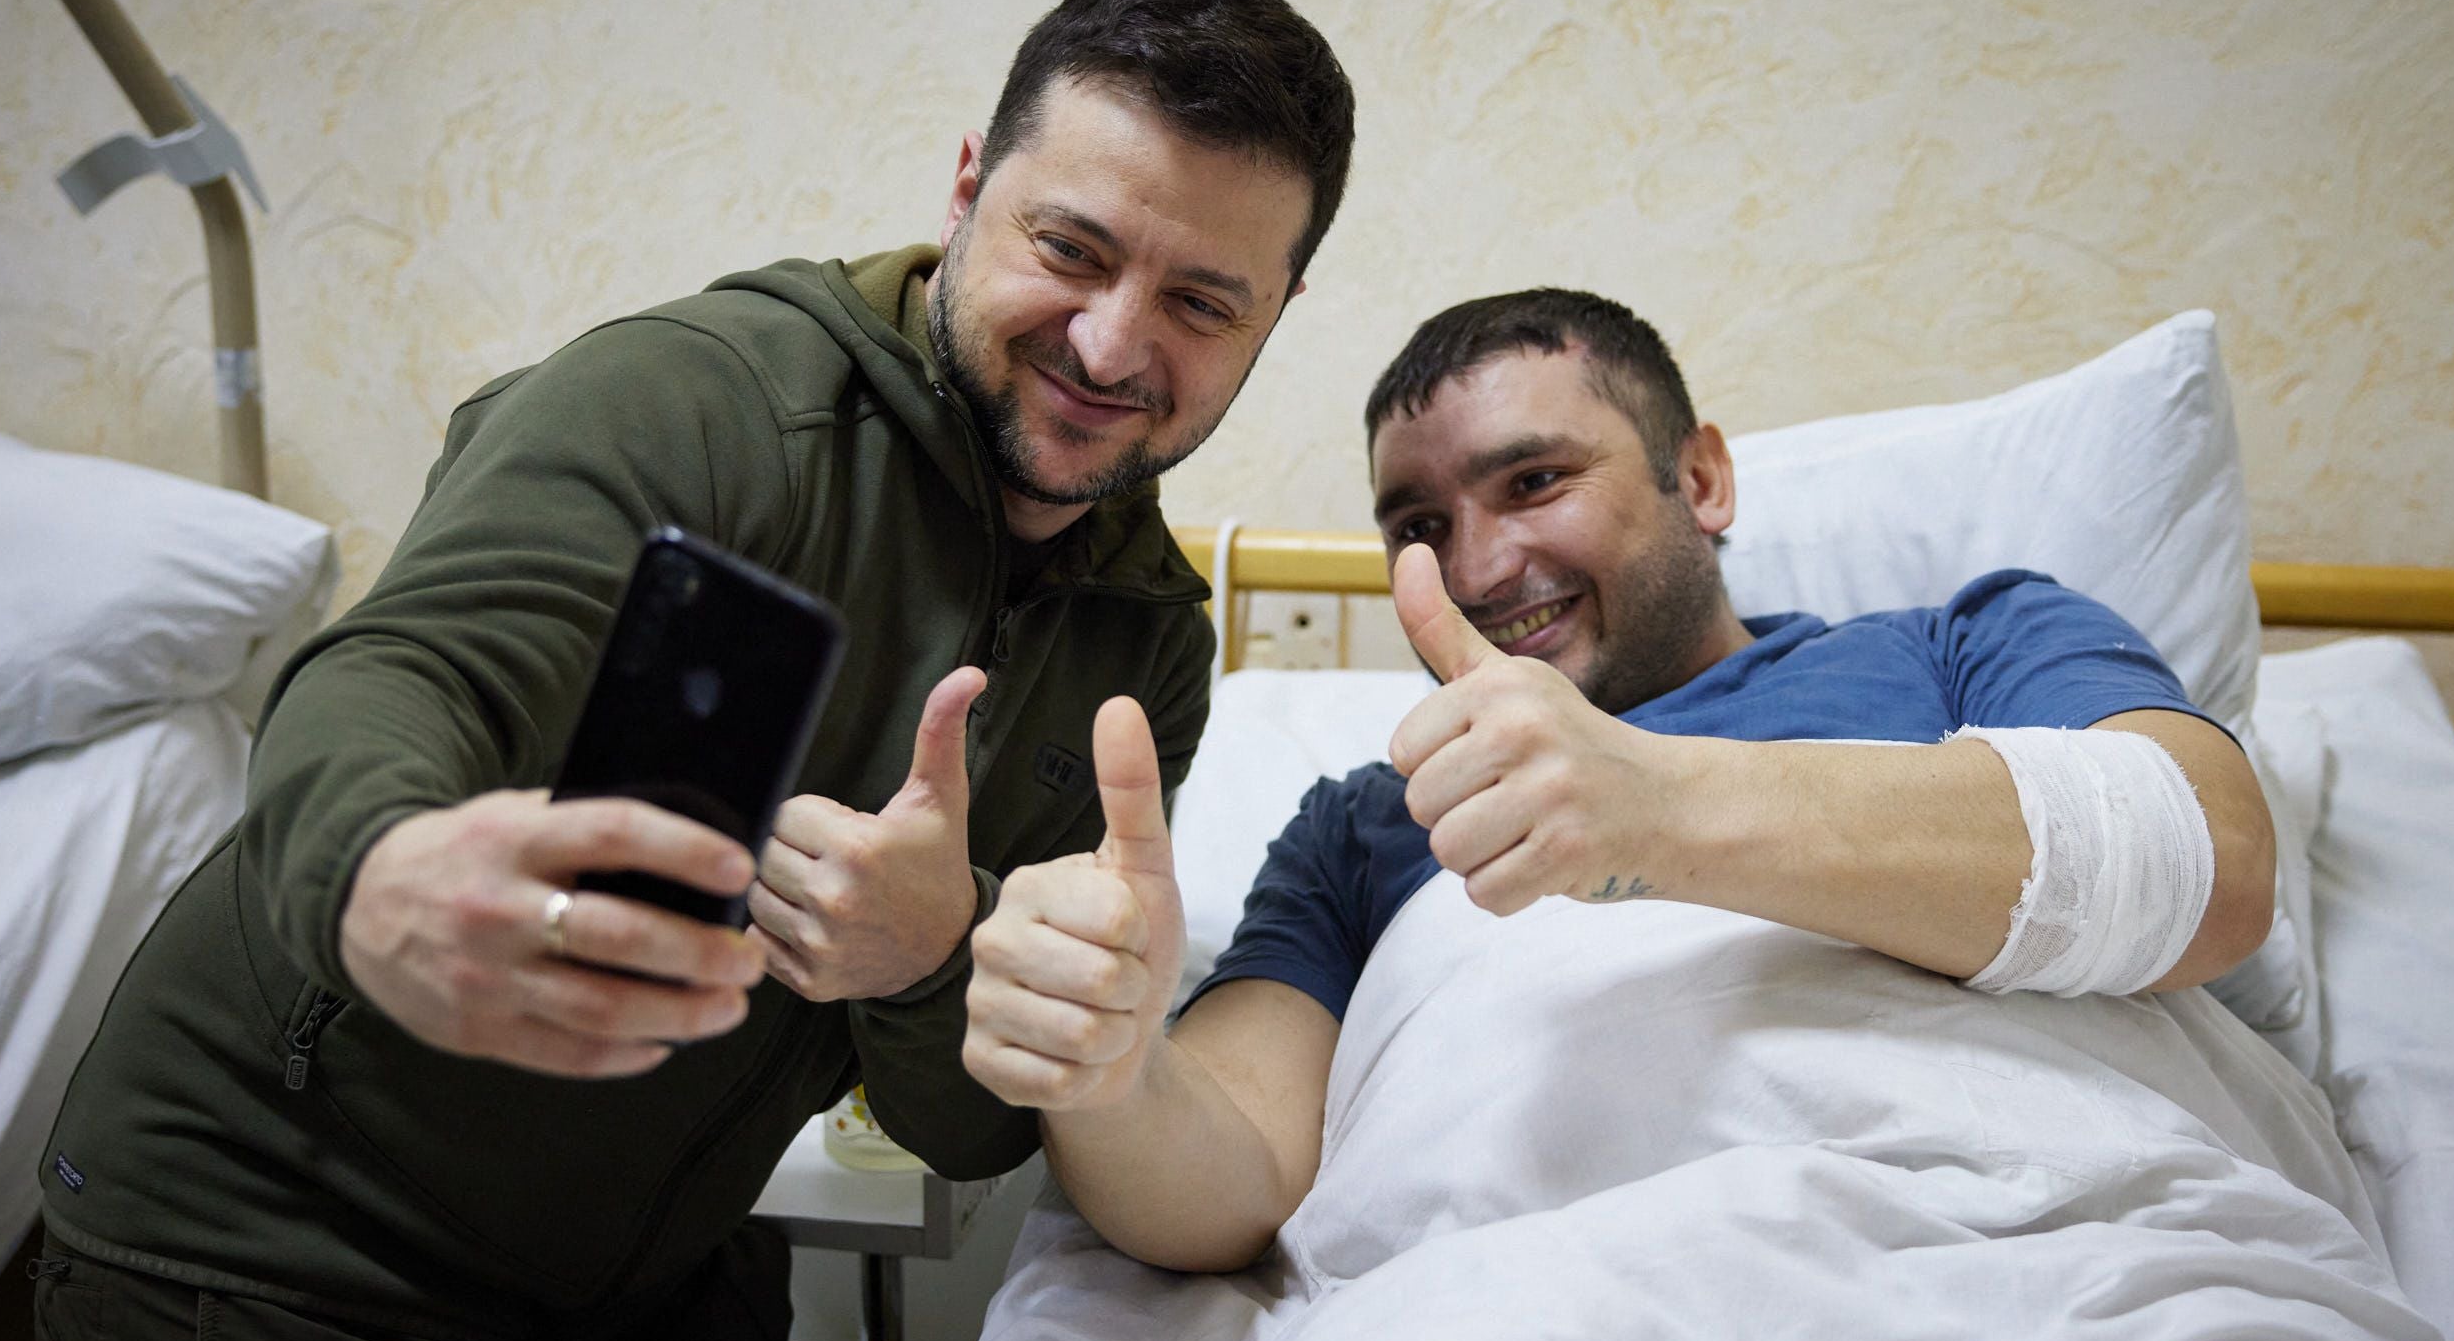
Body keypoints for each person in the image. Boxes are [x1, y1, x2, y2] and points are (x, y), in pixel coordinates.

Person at [30, 0, 1355, 1341]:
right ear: (966, 187)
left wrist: (924, 957)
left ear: (1273, 318)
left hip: (650, 1294)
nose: (1116, 346)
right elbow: (397, 677)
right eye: (1074, 251)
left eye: (1202, 299)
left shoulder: (1140, 640)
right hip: (289, 1263)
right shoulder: (714, 405)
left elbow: (964, 1128)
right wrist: (381, 874)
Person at [962, 285, 2274, 1270]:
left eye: (1533, 480)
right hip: (1531, 1329)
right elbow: (1235, 1173)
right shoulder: (1369, 823)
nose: (1477, 570)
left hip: (2030, 1265)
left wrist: (1656, 809)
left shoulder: (1966, 646)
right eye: (1421, 527)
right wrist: (1108, 1072)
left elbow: (2207, 864)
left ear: (1699, 476)